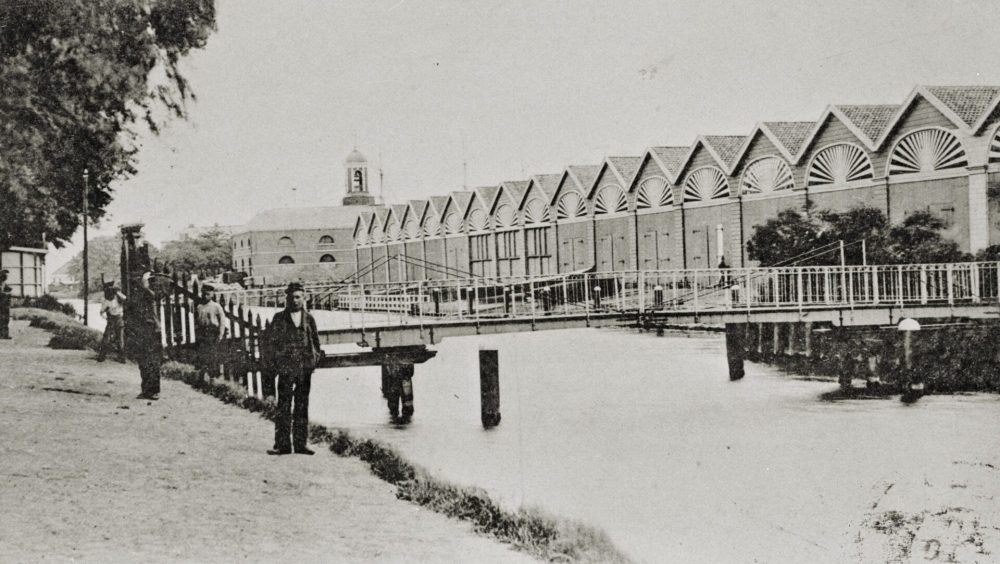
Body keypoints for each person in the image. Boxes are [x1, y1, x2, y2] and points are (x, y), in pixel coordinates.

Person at [263, 282, 322, 455]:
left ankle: (301, 444)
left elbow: (316, 343)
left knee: (302, 405)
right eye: (292, 297)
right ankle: (282, 445)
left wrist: (313, 361)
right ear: (286, 298)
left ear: (304, 299)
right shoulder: (279, 318)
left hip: (304, 369)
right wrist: (276, 365)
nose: (295, 300)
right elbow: (271, 344)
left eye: (298, 297)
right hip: (286, 369)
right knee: (284, 406)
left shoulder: (309, 318)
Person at [128, 271, 163, 400]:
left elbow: (150, 294)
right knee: (143, 362)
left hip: (152, 331)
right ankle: (146, 391)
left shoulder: (151, 294)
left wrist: (145, 283)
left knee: (152, 362)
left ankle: (154, 391)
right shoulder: (139, 297)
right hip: (143, 331)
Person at [195, 284, 226, 378]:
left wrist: (221, 333)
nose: (205, 296)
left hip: (212, 332)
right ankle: (203, 375)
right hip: (202, 332)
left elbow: (222, 320)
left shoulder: (216, 306)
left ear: (212, 295)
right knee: (203, 354)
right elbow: (197, 320)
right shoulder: (199, 306)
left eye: (208, 294)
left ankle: (214, 376)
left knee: (213, 354)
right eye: (204, 294)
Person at [98, 283, 127, 362]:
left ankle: (122, 357)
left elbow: (125, 299)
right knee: (106, 337)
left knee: (120, 338)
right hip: (110, 318)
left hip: (118, 317)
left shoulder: (118, 297)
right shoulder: (105, 300)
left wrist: (117, 292)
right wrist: (104, 316)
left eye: (111, 297)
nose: (109, 299)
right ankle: (102, 356)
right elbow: (101, 311)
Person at [0, 270, 11, 340]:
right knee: (2, 319)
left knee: (6, 319)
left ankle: (5, 335)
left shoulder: (5, 284)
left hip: (5, 304)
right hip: (2, 304)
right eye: (4, 275)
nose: (6, 277)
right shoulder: (1, 284)